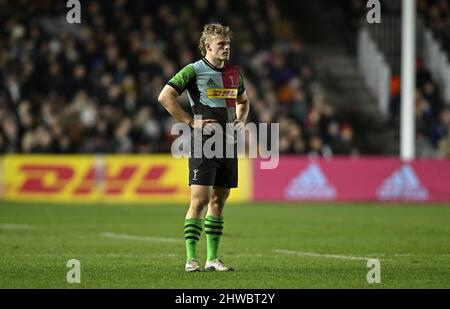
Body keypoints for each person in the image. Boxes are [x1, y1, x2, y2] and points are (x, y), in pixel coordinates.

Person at [158, 23, 250, 272]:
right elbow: (165, 97)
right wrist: (190, 121)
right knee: (199, 200)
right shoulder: (193, 70)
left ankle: (212, 259)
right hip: (204, 143)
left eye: (228, 44)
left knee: (219, 200)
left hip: (228, 143)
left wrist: (240, 121)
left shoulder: (234, 73)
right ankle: (191, 260)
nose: (226, 47)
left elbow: (243, 100)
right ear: (208, 46)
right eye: (221, 44)